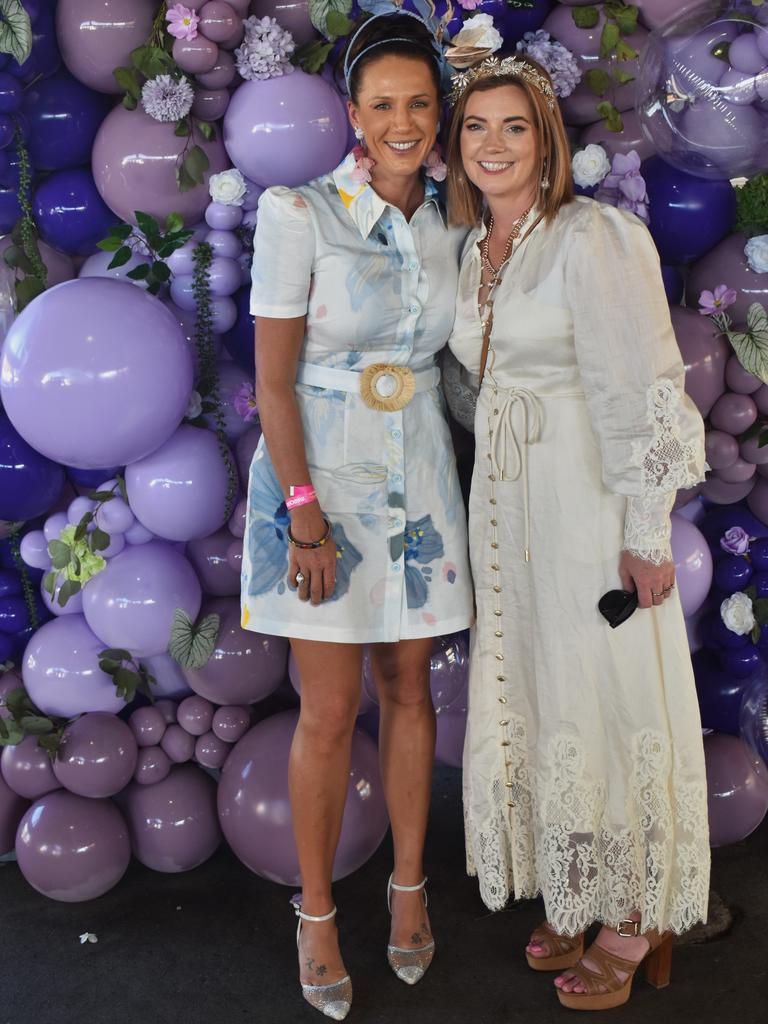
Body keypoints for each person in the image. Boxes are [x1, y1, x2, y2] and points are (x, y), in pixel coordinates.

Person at [444, 50, 710, 1012]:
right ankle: (578, 882)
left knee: (608, 686)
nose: (494, 144)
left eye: (515, 126)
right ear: (456, 143)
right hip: (507, 506)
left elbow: (642, 383)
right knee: (544, 680)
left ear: (547, 140)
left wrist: (645, 529)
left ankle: (637, 913)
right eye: (477, 126)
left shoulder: (592, 236)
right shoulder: (474, 249)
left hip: (586, 500)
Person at [242, 9, 473, 1020]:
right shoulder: (300, 212)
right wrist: (303, 517)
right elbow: (273, 383)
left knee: (411, 689)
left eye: (420, 102)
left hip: (418, 473)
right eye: (383, 103)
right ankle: (319, 911)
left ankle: (411, 890)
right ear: (352, 112)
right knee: (330, 708)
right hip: (318, 482)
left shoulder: (457, 216)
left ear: (439, 111)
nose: (403, 120)